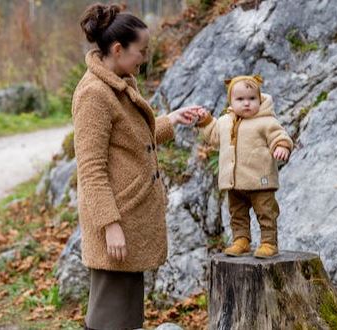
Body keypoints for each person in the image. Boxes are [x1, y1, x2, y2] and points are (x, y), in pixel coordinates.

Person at [72, 3, 205, 329]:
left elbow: (131, 141)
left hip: (129, 218)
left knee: (126, 318)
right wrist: (110, 225)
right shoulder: (94, 94)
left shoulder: (117, 81)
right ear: (118, 49)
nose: (144, 58)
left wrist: (170, 120)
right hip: (116, 222)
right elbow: (90, 170)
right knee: (108, 319)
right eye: (141, 51)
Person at [195, 75, 293, 259]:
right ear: (231, 100)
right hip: (234, 182)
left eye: (252, 98)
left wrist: (281, 146)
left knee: (266, 212)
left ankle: (268, 242)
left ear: (260, 99)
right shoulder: (225, 121)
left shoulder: (265, 121)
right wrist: (205, 120)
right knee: (237, 214)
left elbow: (278, 135)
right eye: (240, 99)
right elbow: (214, 136)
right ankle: (241, 240)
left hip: (260, 180)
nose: (246, 103)